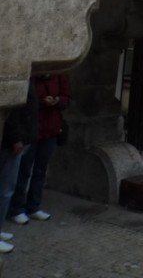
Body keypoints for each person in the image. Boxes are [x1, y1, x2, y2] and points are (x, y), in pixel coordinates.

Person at [9, 72, 70, 225]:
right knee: (24, 170)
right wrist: (42, 101)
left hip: (50, 129)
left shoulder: (58, 75)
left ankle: (34, 206)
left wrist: (57, 101)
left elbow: (66, 97)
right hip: (32, 130)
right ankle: (17, 208)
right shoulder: (32, 77)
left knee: (40, 170)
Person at [0, 82, 38, 254]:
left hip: (19, 138)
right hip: (11, 143)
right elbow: (12, 113)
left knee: (7, 188)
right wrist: (16, 139)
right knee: (6, 189)